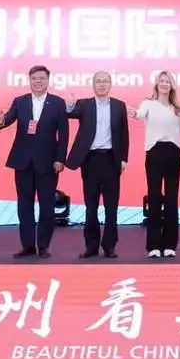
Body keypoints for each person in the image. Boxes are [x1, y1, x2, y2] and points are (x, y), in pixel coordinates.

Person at [0, 64, 68, 259]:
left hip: (48, 162)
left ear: (48, 80)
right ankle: (27, 245)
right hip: (23, 161)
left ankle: (43, 245)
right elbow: (8, 119)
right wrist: (0, 121)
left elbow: (63, 134)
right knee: (24, 205)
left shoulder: (58, 103)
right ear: (29, 80)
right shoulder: (20, 101)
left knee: (47, 206)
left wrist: (60, 159)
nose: (38, 82)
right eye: (34, 78)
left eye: (41, 78)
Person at [65, 72, 130, 259]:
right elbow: (70, 113)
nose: (102, 85)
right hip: (90, 160)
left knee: (111, 206)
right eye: (98, 81)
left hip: (111, 159)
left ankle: (109, 245)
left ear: (110, 84)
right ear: (93, 85)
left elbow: (124, 134)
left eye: (105, 81)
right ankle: (91, 246)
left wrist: (123, 158)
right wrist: (70, 104)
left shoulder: (119, 105)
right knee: (91, 205)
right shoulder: (84, 104)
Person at [131, 71, 180, 258]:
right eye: (161, 81)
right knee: (154, 195)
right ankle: (153, 245)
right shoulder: (148, 103)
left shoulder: (177, 107)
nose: (164, 84)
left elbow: (179, 131)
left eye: (168, 81)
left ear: (172, 85)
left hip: (173, 151)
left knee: (172, 197)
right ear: (156, 84)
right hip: (154, 151)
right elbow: (139, 115)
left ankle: (170, 244)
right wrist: (133, 113)